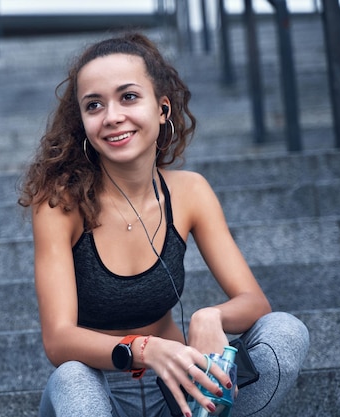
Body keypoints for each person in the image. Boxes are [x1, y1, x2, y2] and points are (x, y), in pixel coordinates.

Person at [18, 32, 309, 417]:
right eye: (94, 105)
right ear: (83, 122)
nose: (112, 116)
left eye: (129, 96)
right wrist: (145, 348)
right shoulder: (59, 203)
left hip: (181, 393)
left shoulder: (190, 192)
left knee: (285, 332)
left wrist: (212, 316)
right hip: (98, 395)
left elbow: (255, 303)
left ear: (162, 108)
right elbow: (58, 341)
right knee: (71, 378)